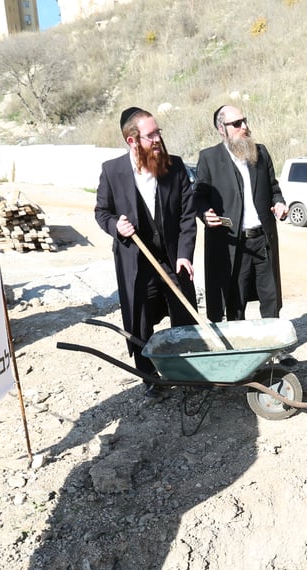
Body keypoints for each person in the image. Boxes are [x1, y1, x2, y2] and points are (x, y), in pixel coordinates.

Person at [95, 107, 198, 399]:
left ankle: (189, 370)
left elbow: (187, 216)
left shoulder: (174, 166)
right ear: (132, 140)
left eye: (158, 132)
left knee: (184, 315)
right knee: (140, 322)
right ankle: (149, 376)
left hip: (171, 259)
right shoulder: (112, 171)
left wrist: (184, 254)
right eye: (150, 135)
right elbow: (101, 212)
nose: (157, 139)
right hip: (136, 263)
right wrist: (116, 225)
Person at [194, 105, 287, 322]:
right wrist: (204, 213)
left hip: (263, 240)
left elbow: (273, 189)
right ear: (221, 128)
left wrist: (280, 203)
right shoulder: (209, 158)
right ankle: (240, 351)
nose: (244, 127)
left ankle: (274, 352)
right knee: (236, 301)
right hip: (233, 244)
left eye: (244, 121)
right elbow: (199, 195)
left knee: (270, 297)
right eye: (237, 124)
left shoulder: (261, 153)